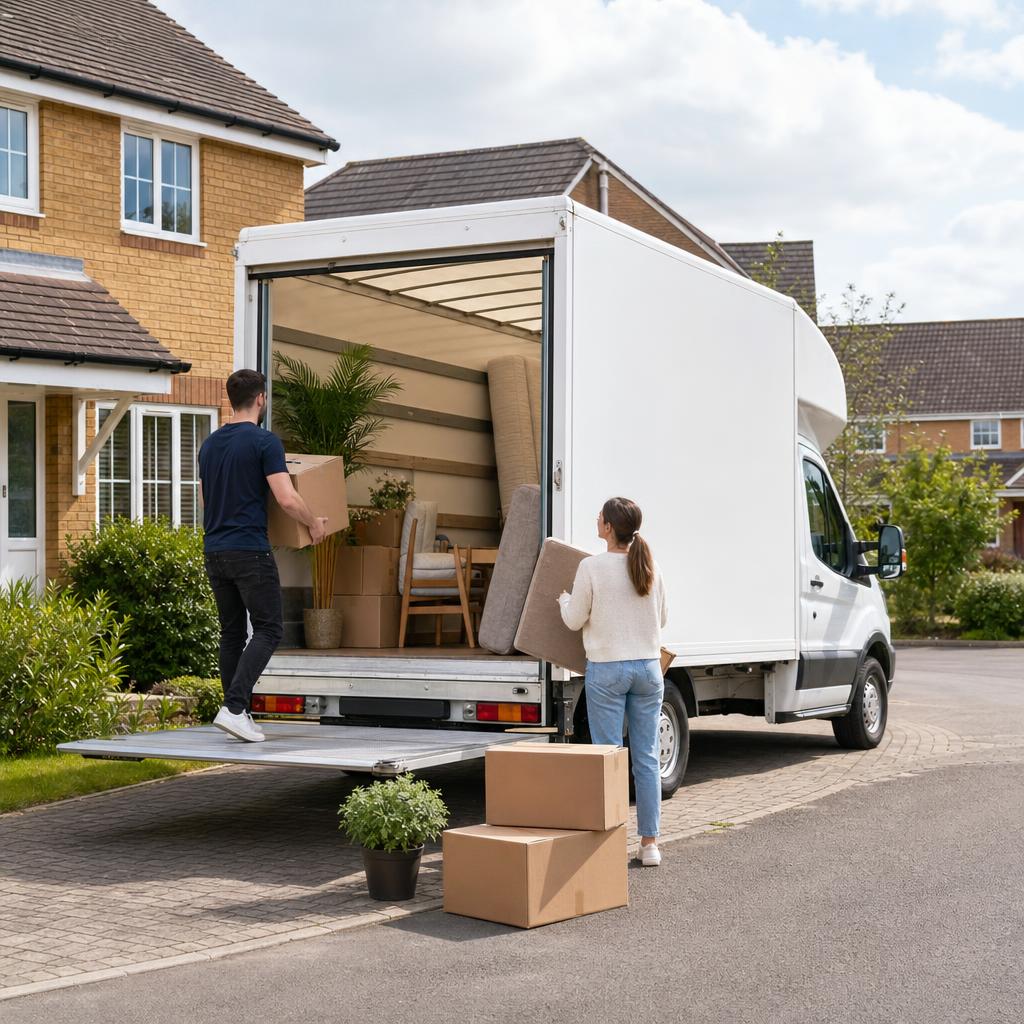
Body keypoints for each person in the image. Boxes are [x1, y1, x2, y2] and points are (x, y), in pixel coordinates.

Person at [199, 369, 327, 743]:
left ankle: (238, 713)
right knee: (270, 628)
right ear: (261, 399)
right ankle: (235, 707)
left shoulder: (209, 445)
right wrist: (314, 524)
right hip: (250, 550)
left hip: (215, 550)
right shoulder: (264, 442)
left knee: (233, 633)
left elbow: (207, 502)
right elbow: (286, 498)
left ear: (231, 399)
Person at [558, 497, 669, 866]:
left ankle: (610, 843)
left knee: (607, 758)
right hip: (649, 670)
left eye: (599, 517)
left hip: (607, 670)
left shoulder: (591, 567)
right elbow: (662, 618)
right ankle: (650, 844)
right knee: (647, 758)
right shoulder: (650, 565)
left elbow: (574, 620)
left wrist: (563, 600)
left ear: (607, 528)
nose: (597, 520)